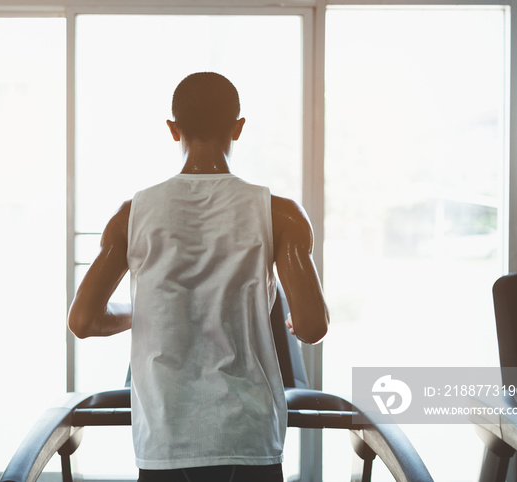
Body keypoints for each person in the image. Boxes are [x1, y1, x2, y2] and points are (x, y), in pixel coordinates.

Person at [68, 72, 329, 482]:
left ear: (174, 130)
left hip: (166, 434)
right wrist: (291, 319)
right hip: (248, 433)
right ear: (237, 128)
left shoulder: (131, 214)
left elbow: (83, 321)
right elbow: (312, 327)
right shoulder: (281, 214)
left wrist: (139, 313)